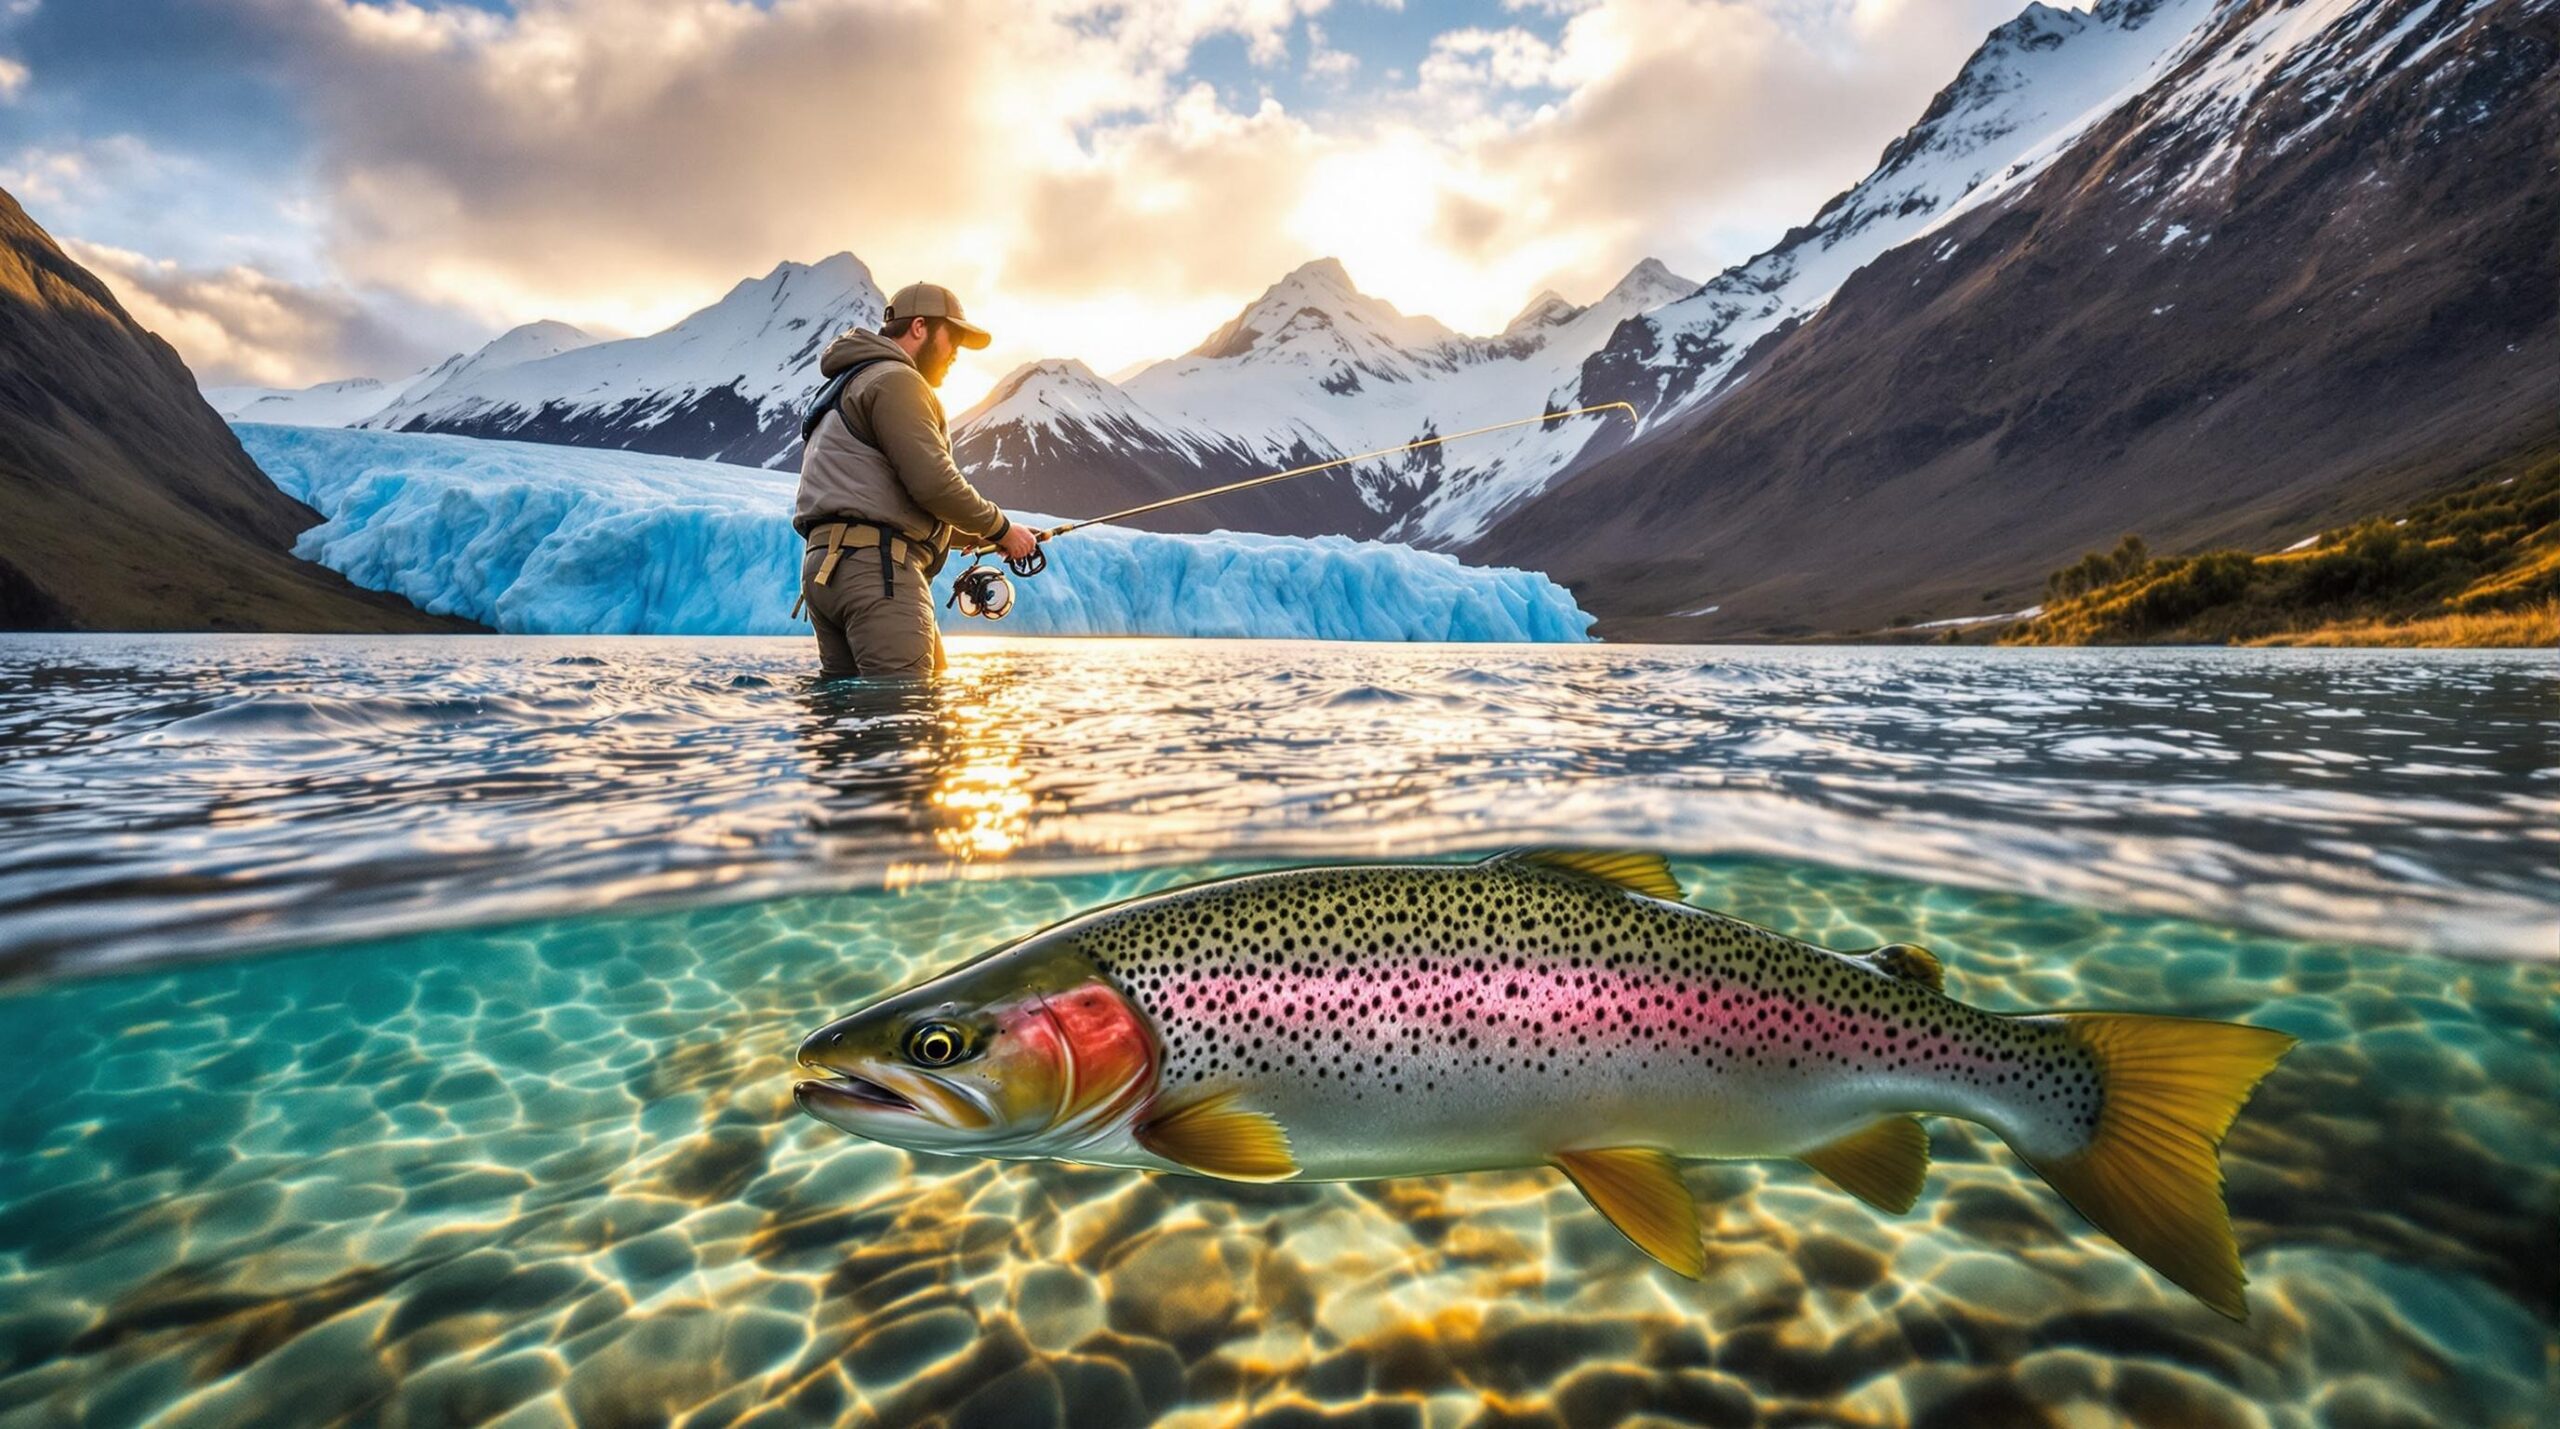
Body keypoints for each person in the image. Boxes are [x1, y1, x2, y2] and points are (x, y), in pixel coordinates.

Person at [794, 281, 1040, 678]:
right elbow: (933, 484)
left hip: (827, 571)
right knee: (905, 712)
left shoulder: (847, 383)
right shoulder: (897, 380)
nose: (956, 354)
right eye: (953, 338)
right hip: (877, 572)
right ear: (921, 327)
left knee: (848, 722)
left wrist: (991, 536)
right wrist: (1002, 528)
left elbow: (883, 499)